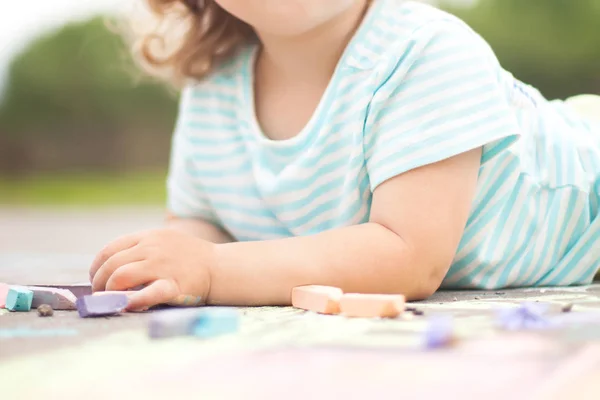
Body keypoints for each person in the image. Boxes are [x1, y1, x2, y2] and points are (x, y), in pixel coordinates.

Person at [89, 0, 600, 311]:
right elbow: (201, 223)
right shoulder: (212, 89)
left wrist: (211, 269)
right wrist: (165, 263)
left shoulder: (424, 51)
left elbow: (408, 256)